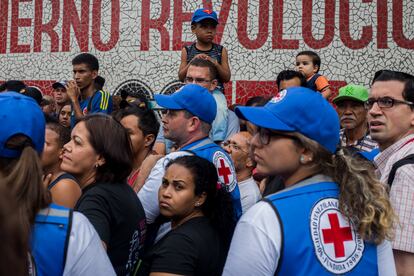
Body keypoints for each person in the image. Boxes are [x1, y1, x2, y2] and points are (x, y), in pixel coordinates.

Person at [223, 87, 396, 275]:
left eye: (267, 134)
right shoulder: (367, 207)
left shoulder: (263, 217)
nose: (255, 142)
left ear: (306, 151)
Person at [0, 92, 115, 275]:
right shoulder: (74, 230)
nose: (68, 147)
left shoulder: (67, 189)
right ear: (38, 150)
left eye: (77, 142)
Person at [138, 84, 242, 225]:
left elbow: (139, 214)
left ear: (193, 123)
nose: (164, 118)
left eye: (172, 113)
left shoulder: (175, 162)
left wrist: (144, 172)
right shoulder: (221, 154)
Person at [61, 114, 146, 274]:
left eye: (77, 142)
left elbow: (89, 264)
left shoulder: (96, 200)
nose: (66, 146)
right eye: (70, 139)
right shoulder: (119, 189)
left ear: (100, 158)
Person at [138, 156, 235, 275]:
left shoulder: (180, 245)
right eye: (164, 183)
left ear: (200, 198)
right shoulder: (207, 227)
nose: (166, 193)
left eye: (179, 187)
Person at [366, 70, 414, 275]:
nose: (374, 111)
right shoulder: (394, 160)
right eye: (371, 102)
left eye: (387, 102)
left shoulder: (406, 170)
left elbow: (402, 268)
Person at [184, 58, 239, 142]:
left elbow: (227, 153)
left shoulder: (230, 118)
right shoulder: (173, 112)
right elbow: (159, 149)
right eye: (189, 79)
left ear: (213, 84)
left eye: (199, 80)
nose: (193, 85)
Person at [178, 8, 231, 90]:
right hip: (192, 92)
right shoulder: (187, 50)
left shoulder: (221, 50)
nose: (209, 31)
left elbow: (227, 78)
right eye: (204, 27)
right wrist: (192, 61)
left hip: (215, 94)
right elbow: (181, 77)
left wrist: (215, 63)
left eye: (213, 27)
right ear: (193, 29)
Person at [113, 105, 160, 191]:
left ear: (148, 140)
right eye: (119, 131)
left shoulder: (156, 172)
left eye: (128, 133)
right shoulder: (120, 167)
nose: (120, 137)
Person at [41, 118, 81, 208]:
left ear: (62, 152)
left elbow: (57, 222)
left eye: (44, 143)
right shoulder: (42, 177)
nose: (37, 146)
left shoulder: (65, 187)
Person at [67, 53, 112, 127]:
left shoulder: (102, 96)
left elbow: (92, 129)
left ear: (94, 74)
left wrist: (74, 100)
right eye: (75, 72)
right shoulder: (76, 98)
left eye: (81, 71)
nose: (76, 76)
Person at [222, 132, 261, 213]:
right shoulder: (222, 178)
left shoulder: (250, 197)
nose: (226, 149)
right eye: (227, 143)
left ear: (249, 161)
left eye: (235, 147)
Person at [333, 84, 378, 152]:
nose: (347, 112)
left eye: (355, 106)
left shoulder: (377, 144)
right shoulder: (333, 138)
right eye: (342, 106)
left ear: (367, 109)